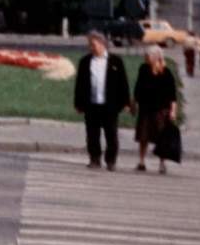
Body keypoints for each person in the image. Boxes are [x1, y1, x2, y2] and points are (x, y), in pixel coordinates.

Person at [73, 31, 135, 172]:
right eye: (90, 45)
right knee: (92, 134)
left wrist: (126, 102)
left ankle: (111, 161)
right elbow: (80, 84)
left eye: (93, 44)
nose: (91, 48)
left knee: (111, 134)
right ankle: (94, 159)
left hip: (110, 106)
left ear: (102, 44)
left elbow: (123, 83)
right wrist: (78, 103)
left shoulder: (116, 61)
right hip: (91, 104)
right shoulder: (85, 62)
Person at [133, 46, 180, 174]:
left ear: (155, 57)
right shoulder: (143, 69)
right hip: (145, 108)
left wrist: (173, 111)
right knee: (143, 137)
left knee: (161, 138)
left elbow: (172, 95)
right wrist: (135, 102)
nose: (145, 58)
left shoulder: (166, 73)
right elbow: (138, 87)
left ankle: (162, 163)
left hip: (161, 110)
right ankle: (141, 161)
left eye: (147, 56)